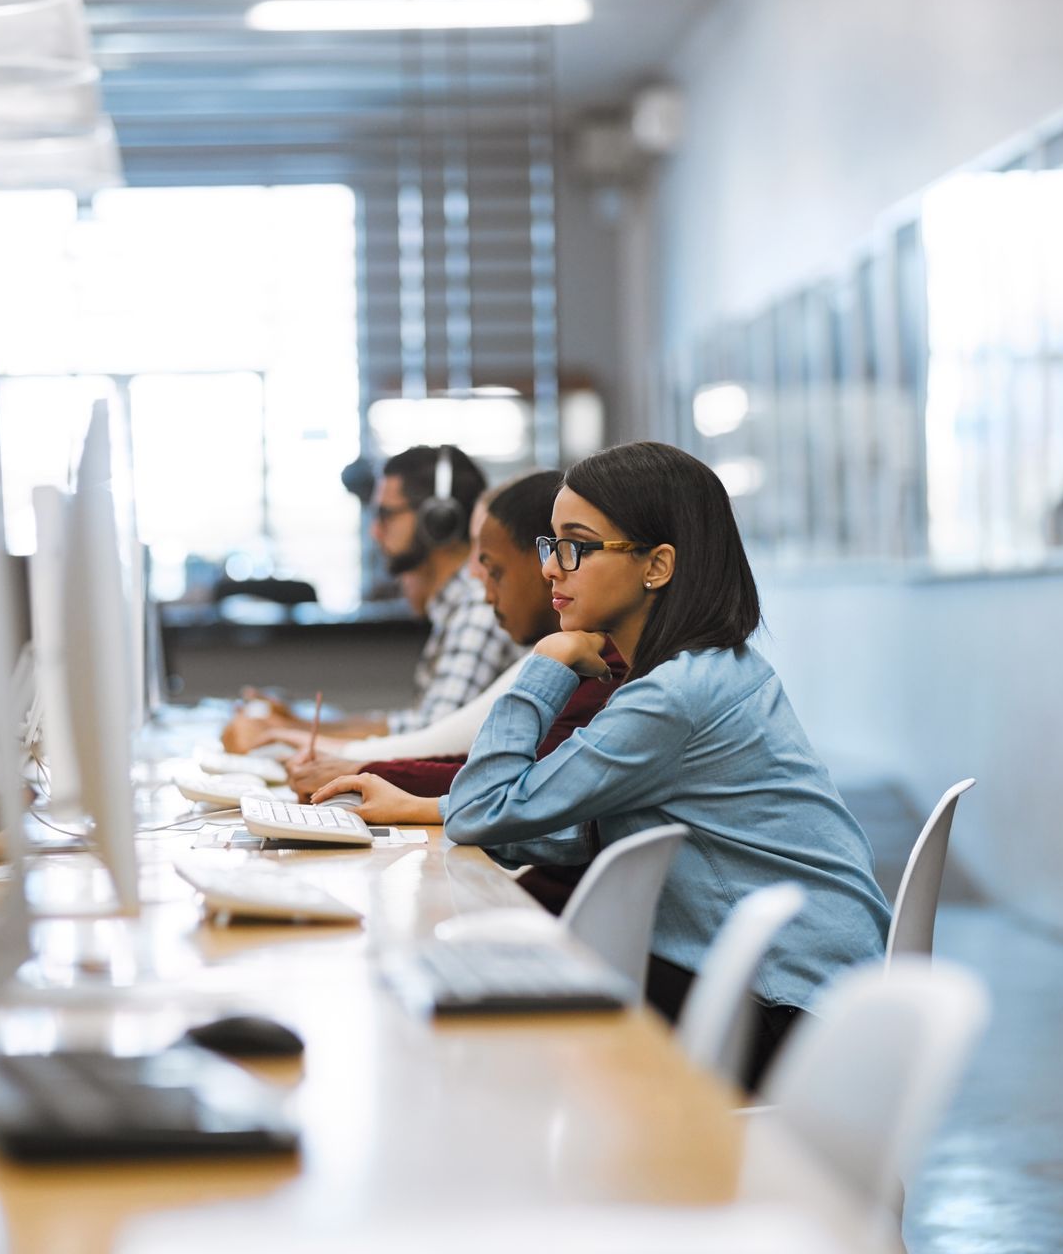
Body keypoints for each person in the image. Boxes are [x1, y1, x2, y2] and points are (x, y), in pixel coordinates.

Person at [314, 441, 892, 1089]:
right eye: (550, 546)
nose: (551, 570)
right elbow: (578, 822)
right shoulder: (699, 671)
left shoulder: (673, 696)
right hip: (807, 986)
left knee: (493, 1027)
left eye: (576, 546)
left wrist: (547, 664)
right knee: (488, 987)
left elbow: (484, 810)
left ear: (658, 566)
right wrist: (440, 810)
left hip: (786, 1008)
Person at [286, 471, 618, 816]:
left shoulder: (603, 667)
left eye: (572, 549)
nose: (473, 572)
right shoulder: (583, 654)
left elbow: (512, 793)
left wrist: (373, 780)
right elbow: (494, 774)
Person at [224, 444, 517, 750]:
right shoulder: (456, 608)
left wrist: (284, 734)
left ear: (437, 521)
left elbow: (429, 742)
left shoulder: (478, 609)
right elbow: (414, 724)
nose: (375, 532)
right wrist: (297, 724)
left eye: (386, 515)